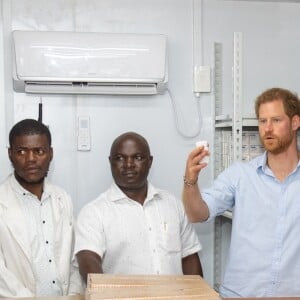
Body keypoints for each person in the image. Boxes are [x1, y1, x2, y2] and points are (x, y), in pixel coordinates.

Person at [182, 87, 300, 298]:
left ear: (295, 123)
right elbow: (197, 213)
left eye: (276, 120)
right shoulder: (240, 175)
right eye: (262, 121)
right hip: (241, 296)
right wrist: (190, 181)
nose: (268, 128)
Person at [75, 132, 203, 283]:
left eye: (138, 157)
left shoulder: (172, 204)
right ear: (110, 162)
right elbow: (88, 262)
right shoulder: (94, 212)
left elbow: (189, 258)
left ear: (150, 162)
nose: (128, 164)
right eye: (120, 158)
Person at [0, 119, 82, 297]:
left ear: (50, 154)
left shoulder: (62, 199)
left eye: (39, 151)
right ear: (10, 154)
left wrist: (75, 294)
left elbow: (74, 259)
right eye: (21, 151)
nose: (30, 159)